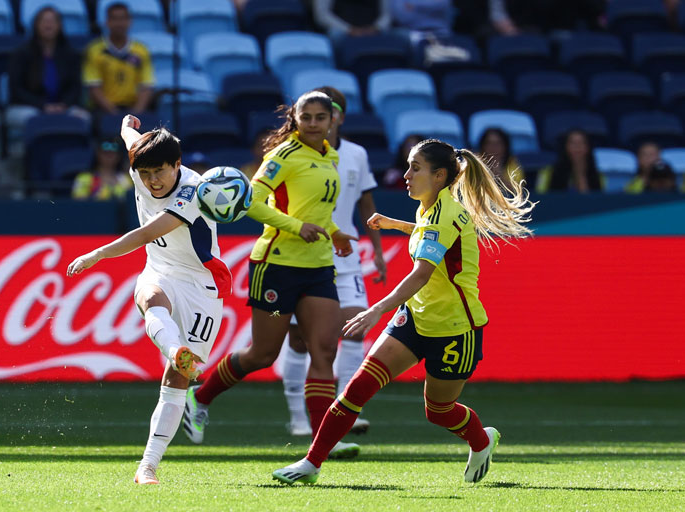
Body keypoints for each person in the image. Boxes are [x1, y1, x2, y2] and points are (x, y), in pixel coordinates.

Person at [272, 138, 535, 485]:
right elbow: (431, 235)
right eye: (408, 166)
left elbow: (421, 273)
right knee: (357, 389)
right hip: (414, 317)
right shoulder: (429, 207)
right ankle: (312, 463)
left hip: (455, 328)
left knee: (438, 411)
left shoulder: (445, 214)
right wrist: (396, 225)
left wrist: (376, 310)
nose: (406, 174)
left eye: (415, 168)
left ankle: (481, 440)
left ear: (439, 176)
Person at [181, 91, 359, 458]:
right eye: (306, 117)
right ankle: (200, 397)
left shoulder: (330, 156)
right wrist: (296, 227)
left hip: (318, 269)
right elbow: (250, 203)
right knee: (262, 354)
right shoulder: (283, 156)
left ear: (333, 120)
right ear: (295, 119)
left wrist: (334, 231)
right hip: (277, 268)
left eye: (320, 117)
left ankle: (322, 442)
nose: (313, 123)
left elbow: (316, 211)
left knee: (324, 349)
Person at [66, 114, 232, 485]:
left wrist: (97, 255)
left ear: (177, 163)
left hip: (201, 286)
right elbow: (130, 138)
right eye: (144, 173)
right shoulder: (139, 160)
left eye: (160, 171)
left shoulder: (193, 190)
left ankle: (150, 458)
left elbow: (145, 234)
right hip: (159, 269)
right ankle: (147, 470)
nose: (152, 180)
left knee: (177, 382)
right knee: (149, 296)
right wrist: (128, 125)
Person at [279, 86, 387, 438]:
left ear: (337, 116)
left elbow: (366, 204)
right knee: (299, 339)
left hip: (345, 255)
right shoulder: (291, 153)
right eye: (310, 114)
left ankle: (345, 409)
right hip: (303, 254)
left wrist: (378, 251)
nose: (323, 119)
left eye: (330, 111)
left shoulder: (356, 154)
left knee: (357, 325)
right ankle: (298, 417)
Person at [8, 7, 83, 116]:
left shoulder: (70, 54)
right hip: (28, 106)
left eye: (52, 21)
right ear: (36, 25)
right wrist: (42, 105)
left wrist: (64, 104)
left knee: (82, 117)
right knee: (32, 118)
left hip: (63, 106)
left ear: (60, 25)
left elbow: (76, 87)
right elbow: (16, 89)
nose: (48, 25)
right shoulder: (21, 54)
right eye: (44, 21)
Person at [82, 3, 155, 114]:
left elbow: (146, 86)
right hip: (103, 110)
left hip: (133, 108)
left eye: (123, 19)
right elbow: (94, 88)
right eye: (114, 19)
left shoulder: (141, 50)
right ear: (107, 22)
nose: (119, 23)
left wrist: (135, 113)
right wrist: (115, 114)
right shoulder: (94, 50)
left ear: (129, 22)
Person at [536, 129, 602, 193]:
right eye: (573, 143)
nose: (577, 146)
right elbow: (540, 198)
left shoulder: (599, 176)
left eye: (582, 142)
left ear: (588, 148)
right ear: (565, 147)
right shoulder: (547, 173)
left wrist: (581, 175)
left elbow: (594, 200)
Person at [313, 0, 392, 40]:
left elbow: (387, 14)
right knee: (335, 34)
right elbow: (322, 15)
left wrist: (376, 28)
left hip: (373, 30)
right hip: (342, 30)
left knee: (393, 36)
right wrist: (348, 30)